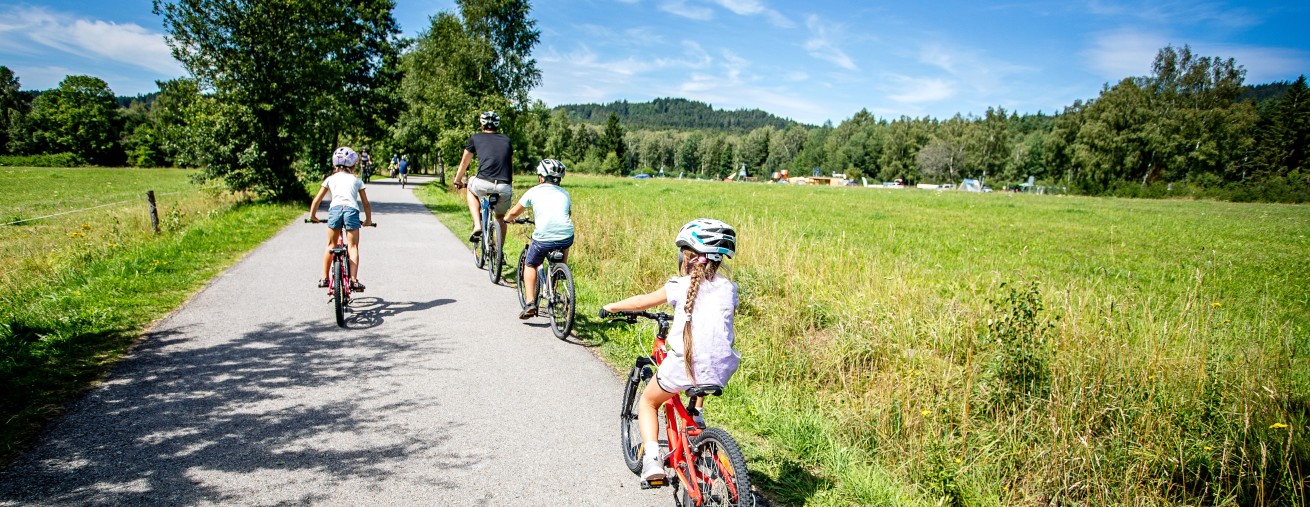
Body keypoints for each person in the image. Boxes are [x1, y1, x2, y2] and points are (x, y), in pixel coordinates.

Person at [600, 219, 739, 484]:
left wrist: (613, 306)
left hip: (684, 366)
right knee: (702, 365)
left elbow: (642, 301)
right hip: (722, 366)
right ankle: (696, 417)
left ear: (688, 257)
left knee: (649, 402)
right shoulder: (730, 289)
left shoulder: (679, 285)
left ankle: (652, 460)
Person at [503, 159, 573, 319]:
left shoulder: (534, 191)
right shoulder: (565, 194)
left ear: (541, 177)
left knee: (530, 263)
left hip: (543, 237)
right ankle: (561, 270)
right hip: (566, 236)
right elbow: (567, 215)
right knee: (565, 240)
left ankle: (530, 303)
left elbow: (514, 212)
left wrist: (507, 219)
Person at [308, 147, 374, 292]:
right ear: (353, 164)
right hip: (351, 211)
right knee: (353, 246)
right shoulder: (357, 180)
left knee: (331, 244)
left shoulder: (330, 179)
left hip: (335, 210)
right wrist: (368, 220)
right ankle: (354, 280)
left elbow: (316, 200)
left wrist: (313, 216)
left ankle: (324, 278)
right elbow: (366, 204)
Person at [453, 111, 514, 250]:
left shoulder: (475, 138)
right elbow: (510, 166)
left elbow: (464, 163)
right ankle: (499, 252)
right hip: (504, 185)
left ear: (482, 124)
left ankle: (477, 225)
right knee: (500, 217)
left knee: (470, 188)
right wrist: (508, 184)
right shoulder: (506, 140)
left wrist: (458, 180)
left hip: (483, 182)